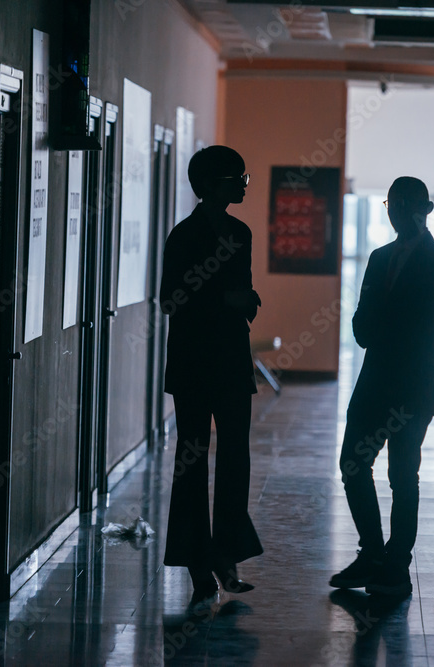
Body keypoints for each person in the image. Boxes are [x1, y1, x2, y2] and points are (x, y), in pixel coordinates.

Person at [331, 176, 434, 598]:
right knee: (354, 464)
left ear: (420, 210)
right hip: (377, 377)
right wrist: (375, 325)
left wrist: (387, 324)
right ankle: (373, 552)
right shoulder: (379, 257)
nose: (393, 212)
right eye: (390, 204)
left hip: (413, 381)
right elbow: (363, 318)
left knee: (403, 474)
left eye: (401, 205)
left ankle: (396, 563)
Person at [159, 145, 263, 603]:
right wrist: (227, 302)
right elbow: (170, 300)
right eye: (239, 177)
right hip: (194, 362)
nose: (244, 184)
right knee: (192, 460)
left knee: (236, 459)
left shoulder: (241, 233)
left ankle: (226, 555)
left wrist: (241, 300)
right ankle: (198, 559)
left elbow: (241, 287)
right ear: (215, 184)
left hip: (231, 361)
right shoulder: (183, 237)